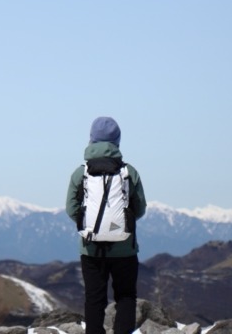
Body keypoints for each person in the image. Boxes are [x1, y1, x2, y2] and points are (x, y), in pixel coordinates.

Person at [65, 116, 147, 334]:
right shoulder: (129, 173)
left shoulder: (80, 173)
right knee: (126, 296)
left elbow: (70, 208)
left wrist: (88, 224)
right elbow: (140, 208)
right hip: (125, 248)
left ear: (91, 140)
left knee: (94, 299)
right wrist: (121, 225)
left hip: (91, 247)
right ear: (117, 142)